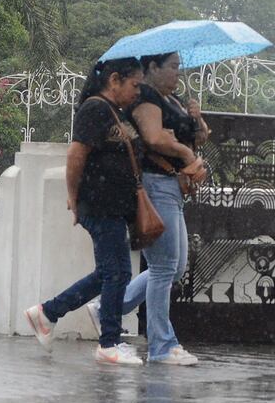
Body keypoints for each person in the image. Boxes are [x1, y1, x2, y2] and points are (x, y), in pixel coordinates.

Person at [87, 51, 209, 364]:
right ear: (152, 68)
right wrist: (185, 154)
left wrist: (196, 119)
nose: (177, 74)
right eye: (172, 67)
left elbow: (201, 137)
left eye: (179, 68)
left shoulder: (175, 100)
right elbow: (154, 138)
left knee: (174, 266)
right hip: (156, 185)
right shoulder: (147, 99)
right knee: (164, 266)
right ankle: (162, 345)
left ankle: (107, 308)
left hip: (173, 187)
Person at [24, 56, 146, 366]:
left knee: (108, 272)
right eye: (134, 85)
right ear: (114, 80)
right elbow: (76, 155)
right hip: (99, 203)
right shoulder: (95, 109)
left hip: (113, 205)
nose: (137, 92)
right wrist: (73, 197)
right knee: (118, 272)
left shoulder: (115, 112)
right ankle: (109, 342)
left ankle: (48, 313)